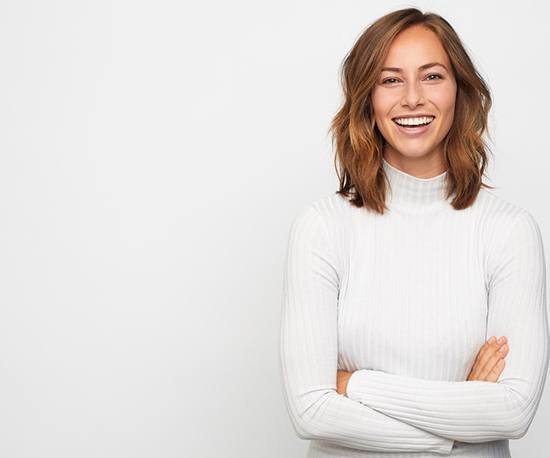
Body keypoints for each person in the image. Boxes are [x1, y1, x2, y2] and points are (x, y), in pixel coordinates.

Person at [279, 7, 549, 458]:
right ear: (367, 98)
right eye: (390, 79)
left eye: (432, 76)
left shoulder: (508, 231)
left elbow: (512, 411)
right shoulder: (322, 228)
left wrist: (354, 384)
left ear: (459, 91)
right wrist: (457, 428)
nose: (412, 99)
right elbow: (311, 410)